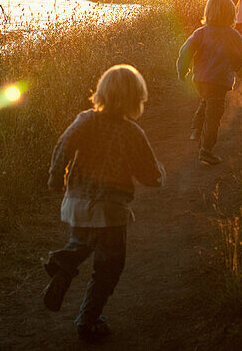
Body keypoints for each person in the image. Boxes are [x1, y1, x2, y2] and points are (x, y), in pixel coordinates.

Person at [43, 64, 165, 343]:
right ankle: (88, 319)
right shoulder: (133, 132)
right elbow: (147, 173)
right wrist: (159, 177)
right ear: (137, 99)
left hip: (77, 203)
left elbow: (63, 146)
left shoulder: (85, 120)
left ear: (101, 92)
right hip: (110, 210)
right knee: (108, 267)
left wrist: (55, 178)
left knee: (81, 242)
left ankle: (65, 264)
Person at [176, 0, 242, 165]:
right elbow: (240, 57)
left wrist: (182, 70)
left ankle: (196, 129)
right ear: (231, 15)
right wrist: (241, 71)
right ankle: (206, 151)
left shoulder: (200, 33)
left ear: (208, 12)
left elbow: (185, 51)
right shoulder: (233, 35)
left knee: (206, 101)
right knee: (214, 115)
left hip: (200, 79)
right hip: (219, 80)